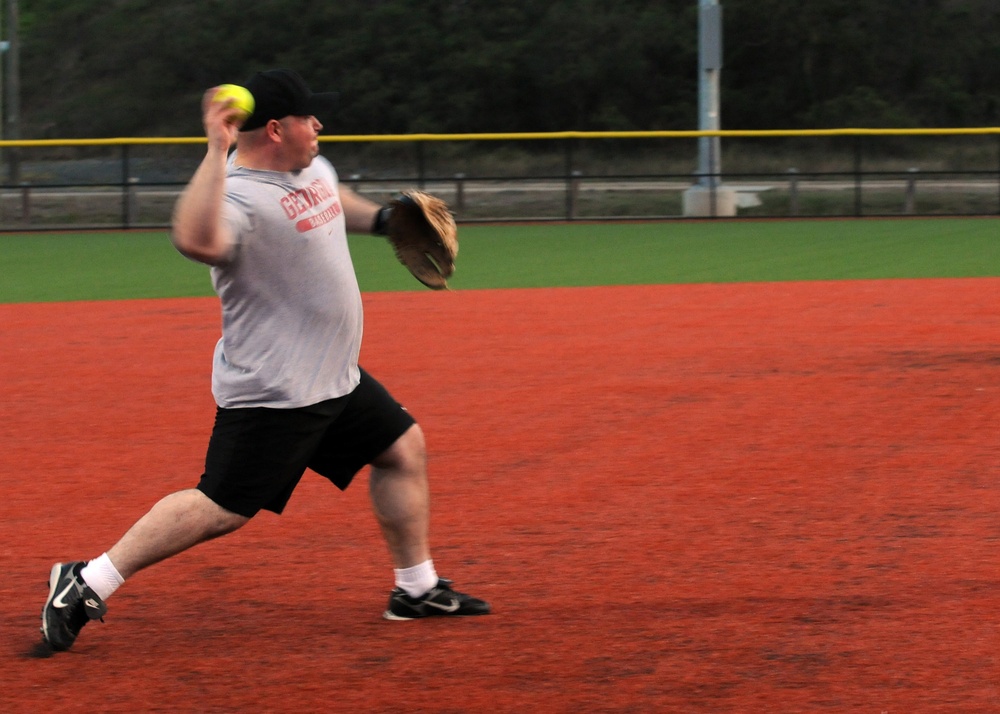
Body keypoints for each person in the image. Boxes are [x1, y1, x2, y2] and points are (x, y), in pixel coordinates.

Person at [40, 69, 490, 653]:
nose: (320, 125)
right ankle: (87, 578)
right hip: (276, 390)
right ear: (277, 129)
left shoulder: (312, 168)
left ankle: (415, 589)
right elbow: (196, 241)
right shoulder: (236, 197)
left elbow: (333, 199)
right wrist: (215, 147)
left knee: (402, 448)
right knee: (222, 507)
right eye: (309, 117)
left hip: (333, 378)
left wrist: (382, 221)